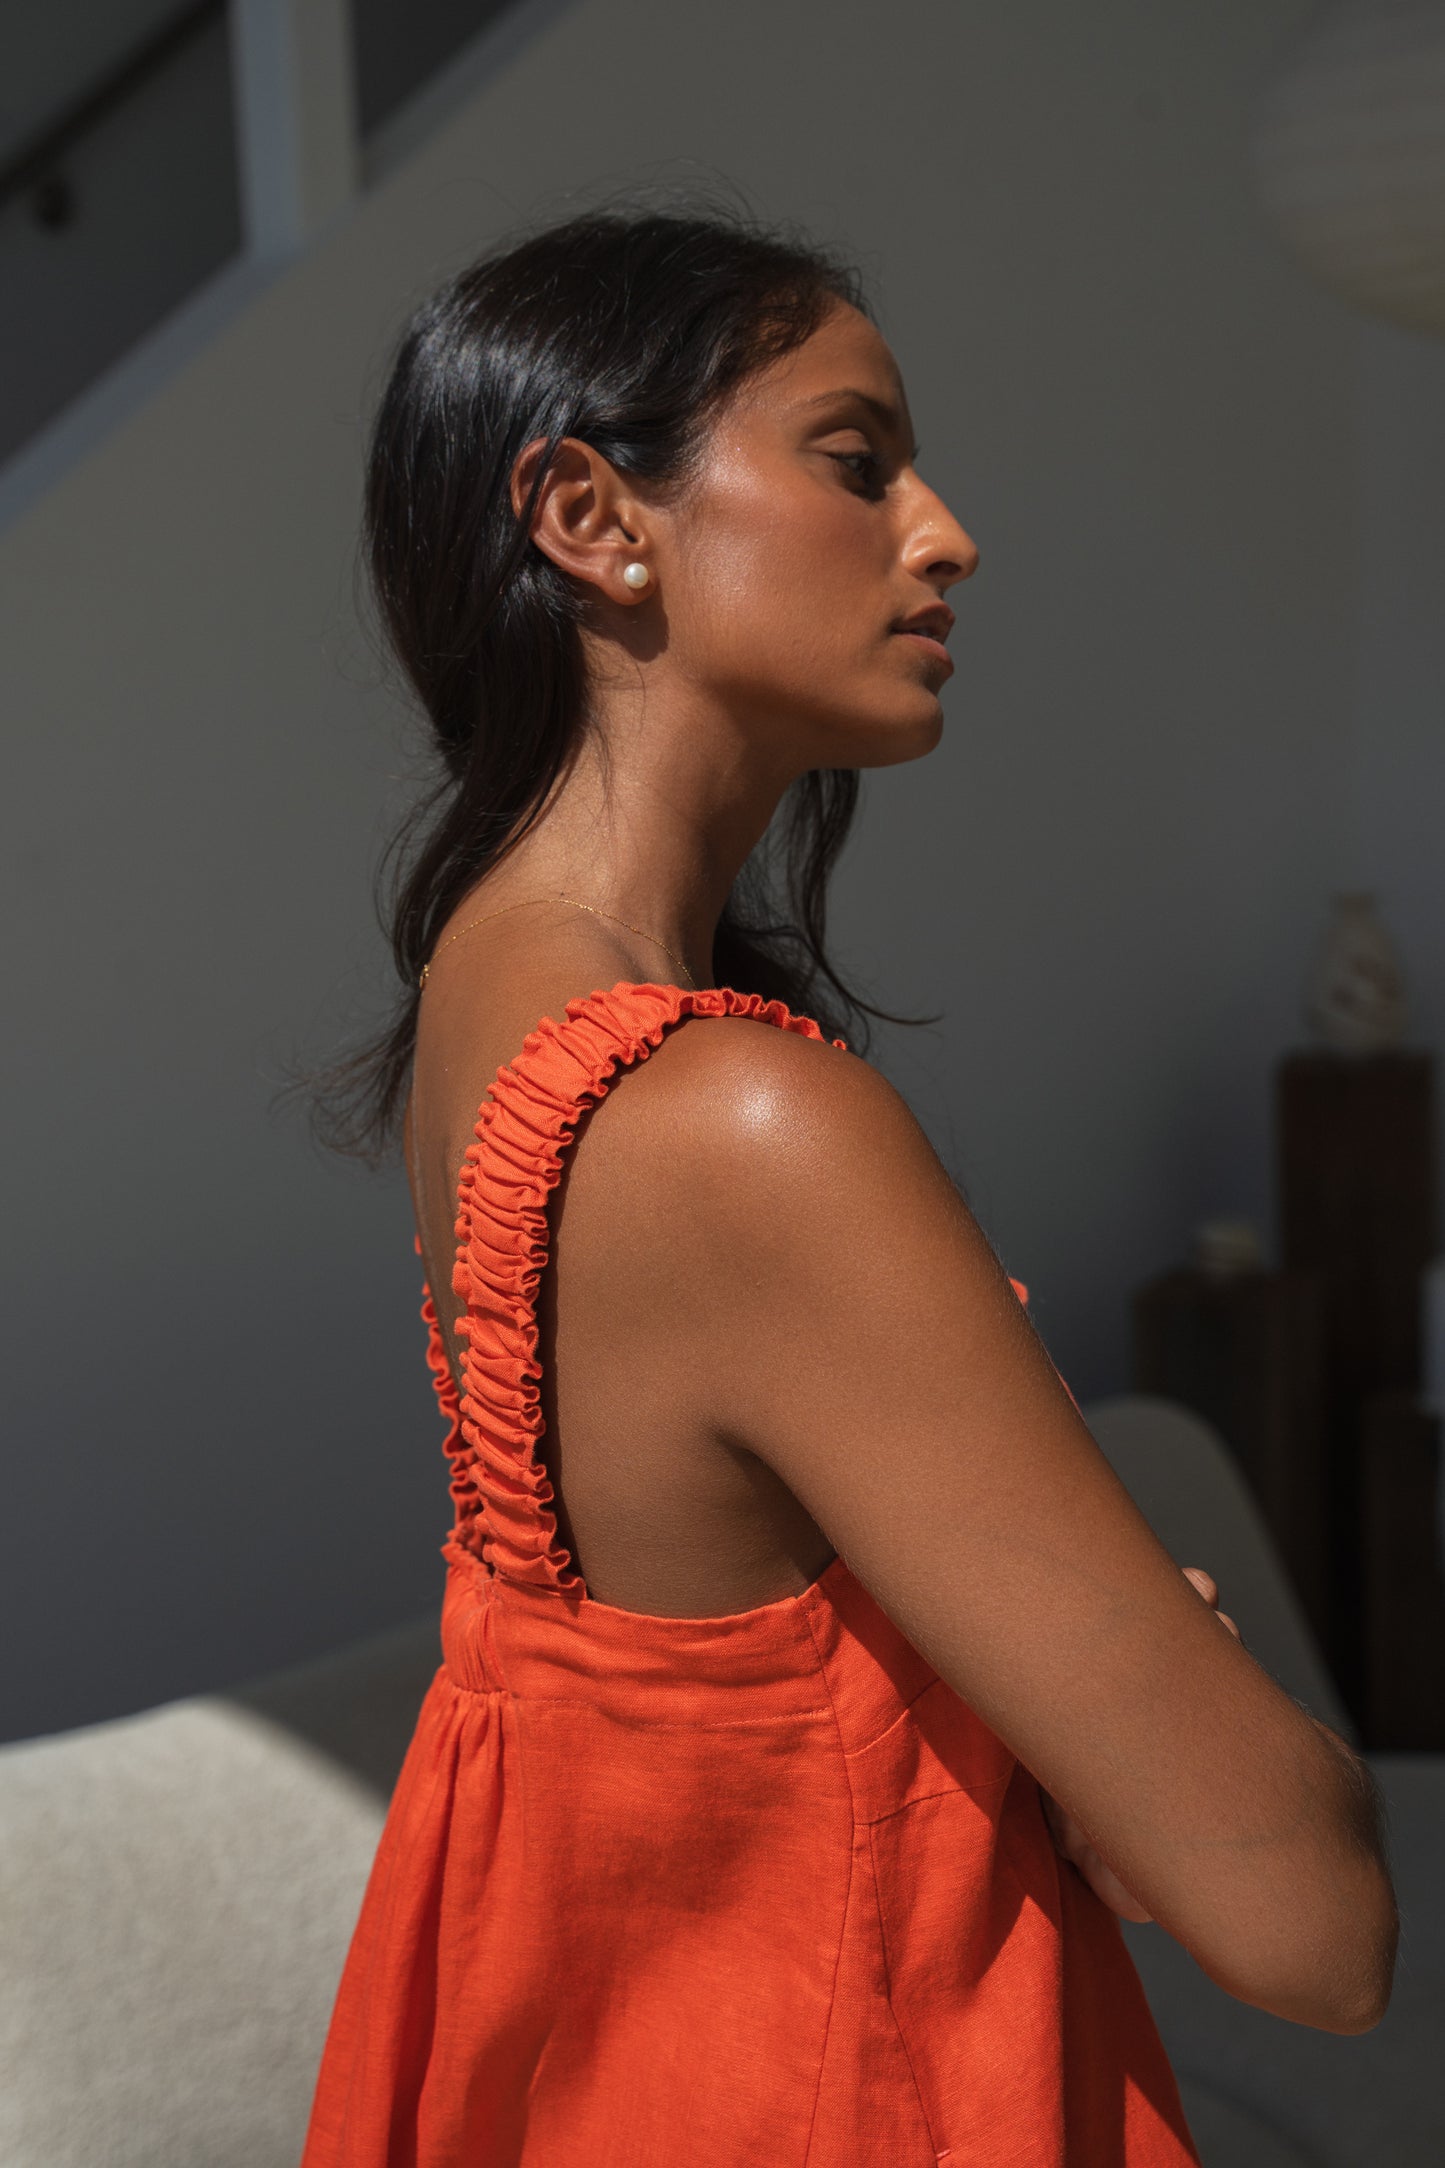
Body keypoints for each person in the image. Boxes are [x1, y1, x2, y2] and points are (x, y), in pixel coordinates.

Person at [300, 203, 1396, 2167]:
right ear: (589, 517)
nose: (946, 531)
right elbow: (1309, 1922)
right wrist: (1168, 1704)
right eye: (857, 460)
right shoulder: (735, 1120)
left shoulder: (489, 991)